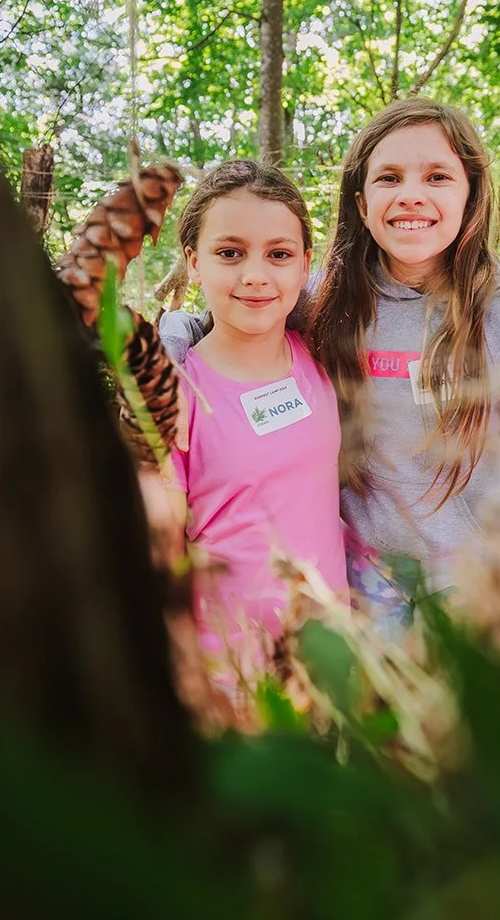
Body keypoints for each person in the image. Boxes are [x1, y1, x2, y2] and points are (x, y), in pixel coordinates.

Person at [165, 99, 500, 635]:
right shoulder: (327, 302)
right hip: (361, 573)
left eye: (437, 176)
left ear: (471, 193)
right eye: (389, 177)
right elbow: (237, 319)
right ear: (361, 202)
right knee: (376, 713)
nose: (411, 195)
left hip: (476, 577)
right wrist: (168, 346)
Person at [160, 160, 347, 686]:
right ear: (194, 262)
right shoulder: (173, 396)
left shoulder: (319, 353)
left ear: (305, 264)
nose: (256, 275)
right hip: (231, 669)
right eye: (230, 253)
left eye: (279, 255)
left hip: (329, 650)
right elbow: (159, 558)